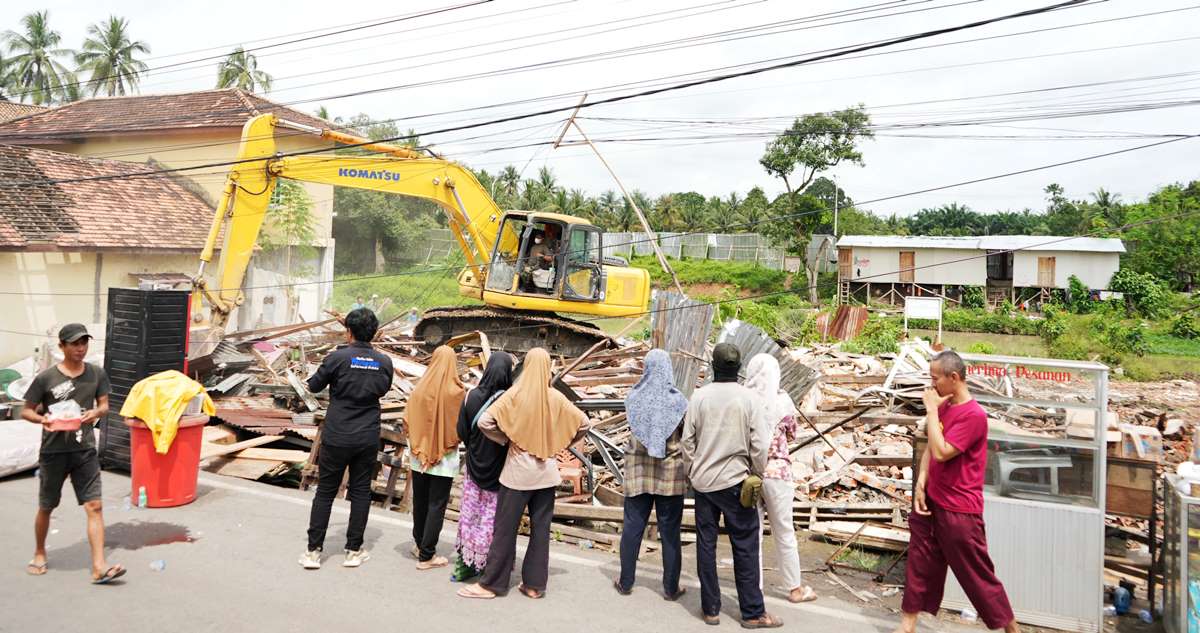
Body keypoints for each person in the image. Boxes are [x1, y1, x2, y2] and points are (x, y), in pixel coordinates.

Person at [895, 350, 1018, 633]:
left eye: (934, 378)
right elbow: (929, 444)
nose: (931, 385)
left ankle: (1012, 629)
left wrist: (930, 409)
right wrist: (921, 482)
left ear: (954, 378)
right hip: (932, 500)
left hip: (959, 508)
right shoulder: (944, 406)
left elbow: (942, 451)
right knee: (919, 560)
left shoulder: (973, 416)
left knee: (976, 574)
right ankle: (907, 625)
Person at [457, 348, 590, 600]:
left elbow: (485, 422)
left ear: (527, 366)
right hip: (547, 475)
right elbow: (585, 423)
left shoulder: (514, 394)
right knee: (541, 531)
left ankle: (492, 585)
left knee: (505, 529)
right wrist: (558, 442)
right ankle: (534, 585)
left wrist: (510, 440)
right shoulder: (556, 397)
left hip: (518, 474)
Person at [682, 343, 781, 628]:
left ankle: (711, 609)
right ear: (738, 369)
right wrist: (756, 472)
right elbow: (760, 445)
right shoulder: (749, 399)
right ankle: (752, 613)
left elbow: (688, 441)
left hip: (703, 484)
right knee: (745, 547)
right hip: (737, 482)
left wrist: (692, 470)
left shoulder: (699, 397)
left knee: (706, 543)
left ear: (713, 366)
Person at [22, 323, 125, 584]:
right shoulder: (46, 378)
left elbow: (104, 406)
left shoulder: (96, 374)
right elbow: (27, 410)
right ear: (62, 347)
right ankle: (39, 551)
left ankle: (99, 566)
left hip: (85, 450)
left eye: (84, 343)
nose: (81, 348)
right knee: (47, 506)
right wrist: (42, 419)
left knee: (95, 506)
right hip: (54, 451)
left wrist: (94, 413)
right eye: (75, 343)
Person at [301, 308, 394, 570]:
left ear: (349, 331)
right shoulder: (384, 362)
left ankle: (313, 552)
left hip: (337, 433)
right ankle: (354, 550)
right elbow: (383, 389)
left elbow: (314, 385)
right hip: (366, 436)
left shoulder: (337, 358)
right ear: (374, 333)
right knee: (361, 492)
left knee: (326, 492)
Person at [614, 349, 689, 601]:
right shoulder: (678, 401)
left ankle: (625, 582)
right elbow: (687, 438)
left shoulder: (634, 397)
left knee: (632, 528)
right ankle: (670, 588)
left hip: (639, 471)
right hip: (670, 474)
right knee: (670, 532)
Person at [743, 353, 817, 604]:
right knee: (784, 532)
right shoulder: (783, 401)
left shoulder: (744, 399)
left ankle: (755, 587)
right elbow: (793, 434)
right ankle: (794, 589)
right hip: (778, 474)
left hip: (750, 475)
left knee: (752, 533)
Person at [452, 352, 515, 581]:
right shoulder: (509, 401)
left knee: (469, 515)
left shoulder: (471, 396)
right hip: (499, 469)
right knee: (491, 518)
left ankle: (463, 566)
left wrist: (474, 446)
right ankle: (489, 568)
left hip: (473, 465)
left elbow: (462, 432)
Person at [404, 346, 465, 570]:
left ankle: (420, 545)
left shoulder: (419, 390)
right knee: (436, 505)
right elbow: (462, 427)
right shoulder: (458, 393)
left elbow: (407, 421)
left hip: (419, 456)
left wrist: (421, 445)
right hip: (444, 458)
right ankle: (427, 555)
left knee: (420, 501)